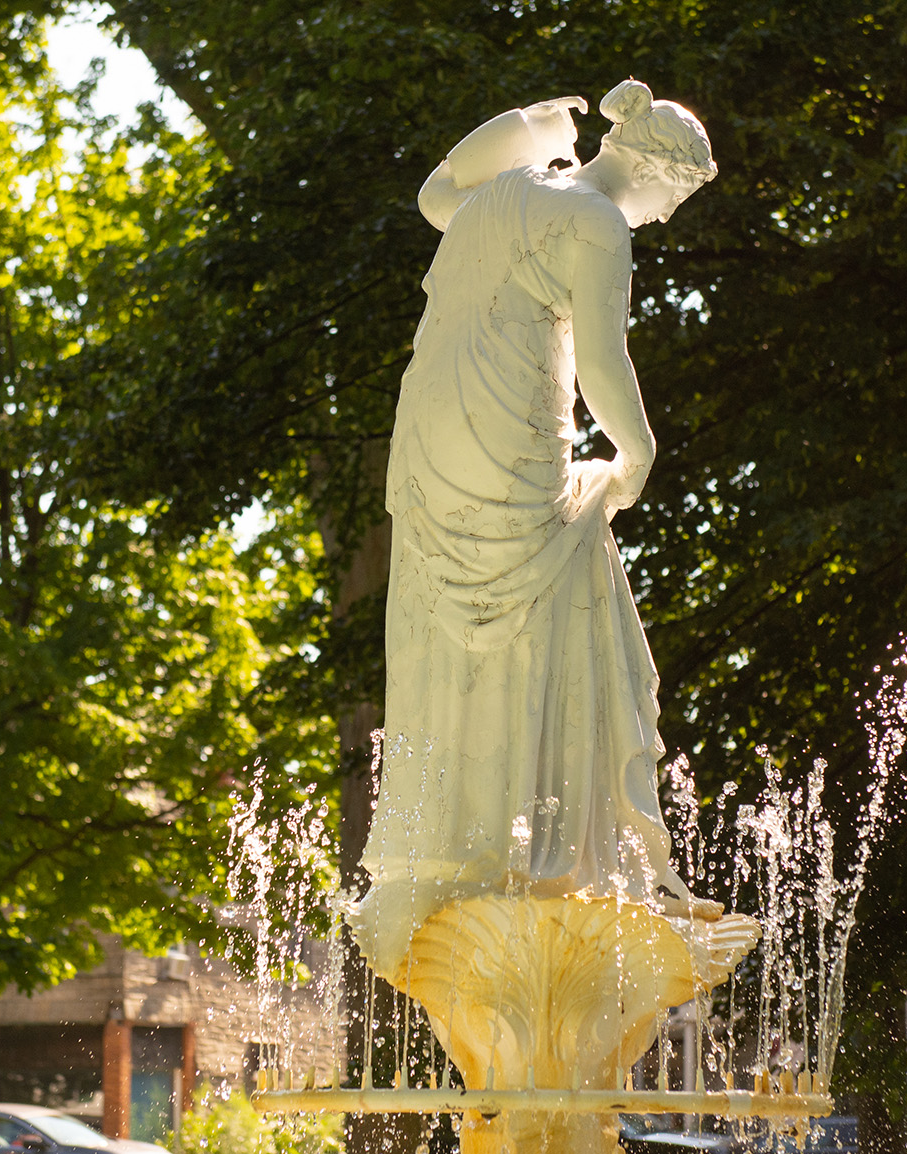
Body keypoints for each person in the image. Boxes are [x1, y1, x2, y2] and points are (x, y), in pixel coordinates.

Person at [351, 80, 719, 976]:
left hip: (433, 444)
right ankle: (560, 849)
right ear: (650, 166)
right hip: (506, 438)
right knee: (572, 572)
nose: (669, 216)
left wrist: (523, 133)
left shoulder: (505, 191)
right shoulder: (597, 223)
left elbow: (434, 194)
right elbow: (601, 357)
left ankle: (469, 841)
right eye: (677, 194)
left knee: (461, 631)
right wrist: (636, 451)